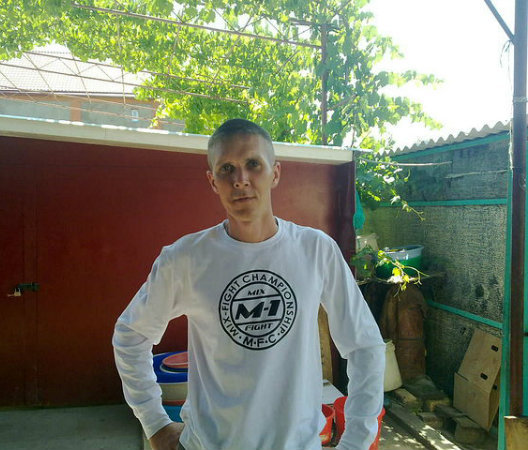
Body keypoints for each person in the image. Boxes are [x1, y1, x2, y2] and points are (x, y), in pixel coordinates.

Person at [113, 119, 385, 450]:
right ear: (213, 181)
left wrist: (356, 441)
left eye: (253, 164)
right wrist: (155, 423)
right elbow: (130, 334)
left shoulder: (316, 250)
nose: (240, 179)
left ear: (275, 173)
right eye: (226, 169)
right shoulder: (185, 258)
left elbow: (364, 345)